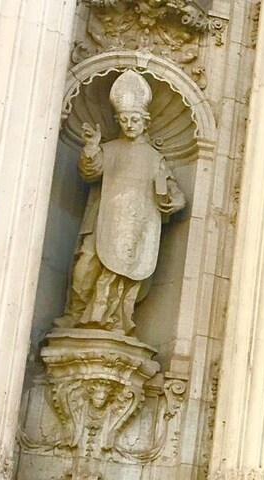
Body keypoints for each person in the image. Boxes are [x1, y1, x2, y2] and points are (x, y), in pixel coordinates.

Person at [57, 70, 185, 334]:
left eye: (134, 119)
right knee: (85, 267)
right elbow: (89, 171)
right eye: (124, 119)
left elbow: (173, 192)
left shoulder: (153, 158)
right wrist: (91, 148)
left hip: (135, 231)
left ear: (144, 122)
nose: (129, 124)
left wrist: (173, 200)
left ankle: (115, 319)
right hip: (101, 222)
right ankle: (75, 315)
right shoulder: (109, 149)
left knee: (126, 271)